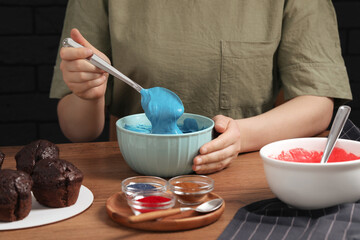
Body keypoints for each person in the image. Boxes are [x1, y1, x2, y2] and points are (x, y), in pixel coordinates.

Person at [50, 0, 352, 174]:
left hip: (244, 180)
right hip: (131, 181)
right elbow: (78, 131)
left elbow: (317, 103)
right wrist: (88, 92)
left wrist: (242, 136)